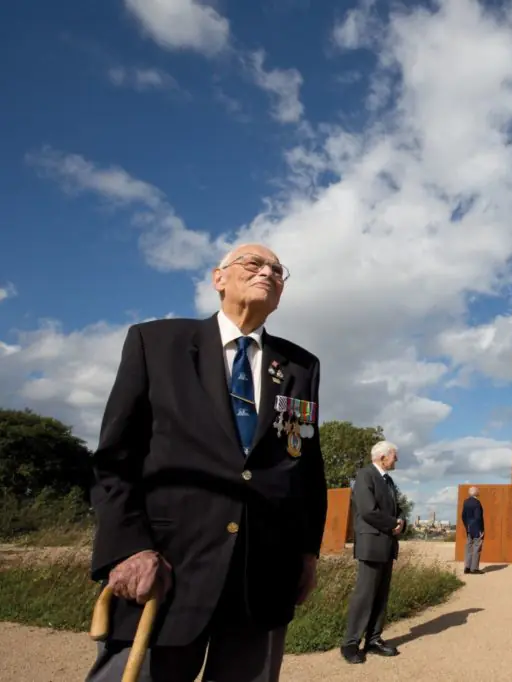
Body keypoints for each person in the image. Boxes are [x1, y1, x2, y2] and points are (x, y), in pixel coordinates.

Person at [85, 244, 327, 682]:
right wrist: (127, 548)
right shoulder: (157, 343)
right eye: (254, 264)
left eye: (278, 270)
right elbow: (115, 457)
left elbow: (307, 467)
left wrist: (308, 553)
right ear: (219, 278)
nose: (268, 272)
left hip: (264, 578)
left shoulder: (300, 365)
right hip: (166, 571)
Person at [341, 440, 404, 664]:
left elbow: (397, 510)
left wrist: (400, 521)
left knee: (381, 595)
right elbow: (368, 510)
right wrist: (392, 523)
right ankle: (350, 643)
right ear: (382, 456)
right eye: (394, 455)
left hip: (387, 544)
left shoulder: (388, 481)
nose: (396, 459)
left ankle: (374, 639)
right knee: (365, 595)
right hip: (371, 543)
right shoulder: (365, 475)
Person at [460, 486, 484, 575]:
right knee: (477, 548)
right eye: (478, 490)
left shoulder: (466, 502)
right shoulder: (477, 503)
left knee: (469, 548)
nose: (479, 491)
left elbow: (463, 516)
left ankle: (467, 567)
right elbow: (478, 517)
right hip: (477, 529)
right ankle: (474, 569)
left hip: (469, 529)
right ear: (475, 492)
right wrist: (480, 529)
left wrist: (467, 526)